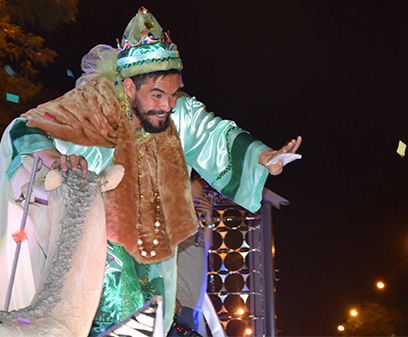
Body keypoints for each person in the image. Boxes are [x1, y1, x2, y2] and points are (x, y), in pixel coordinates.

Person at [0, 7, 301, 336]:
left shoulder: (177, 113)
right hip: (92, 235)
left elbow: (218, 135)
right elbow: (26, 127)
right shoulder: (95, 102)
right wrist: (52, 157)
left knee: (147, 314)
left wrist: (263, 156)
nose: (167, 105)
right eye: (157, 95)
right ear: (128, 88)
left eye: (173, 94)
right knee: (116, 306)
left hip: (149, 245)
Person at [169, 173, 214, 337]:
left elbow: (204, 250)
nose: (204, 189)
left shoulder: (194, 221)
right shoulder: (177, 217)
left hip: (194, 305)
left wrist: (208, 220)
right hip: (181, 303)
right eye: (201, 181)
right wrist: (171, 296)